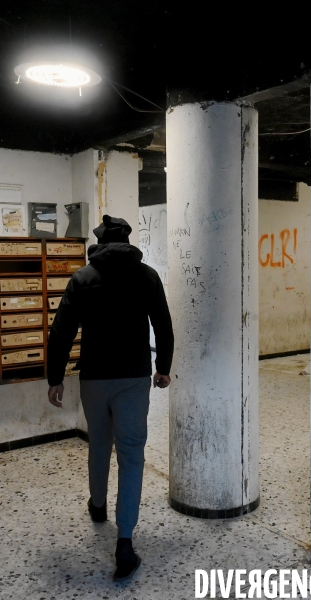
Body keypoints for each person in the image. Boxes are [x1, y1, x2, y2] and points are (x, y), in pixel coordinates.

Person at [47, 214, 173, 582]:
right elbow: (163, 325)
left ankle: (98, 506)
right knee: (132, 455)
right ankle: (125, 542)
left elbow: (61, 332)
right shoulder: (146, 276)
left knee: (99, 443)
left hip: (94, 378)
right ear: (128, 240)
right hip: (134, 377)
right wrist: (162, 367)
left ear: (99, 241)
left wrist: (55, 378)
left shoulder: (83, 278)